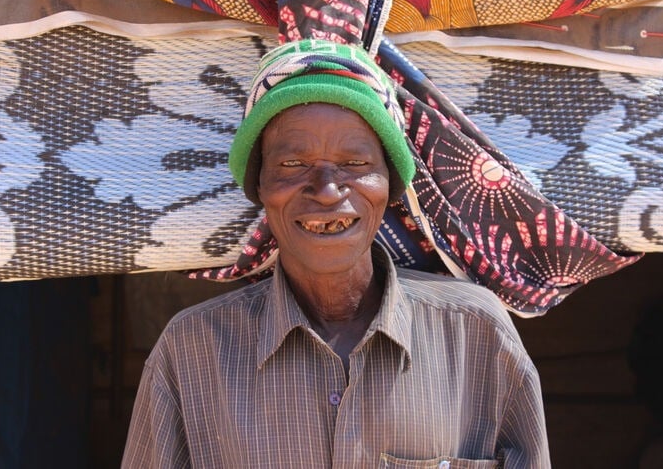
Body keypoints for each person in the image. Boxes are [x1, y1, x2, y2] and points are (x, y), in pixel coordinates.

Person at [122, 39, 550, 468]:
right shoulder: (192, 351)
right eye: (292, 165)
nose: (327, 190)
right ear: (260, 187)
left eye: (355, 164)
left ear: (389, 187)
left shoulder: (475, 333)